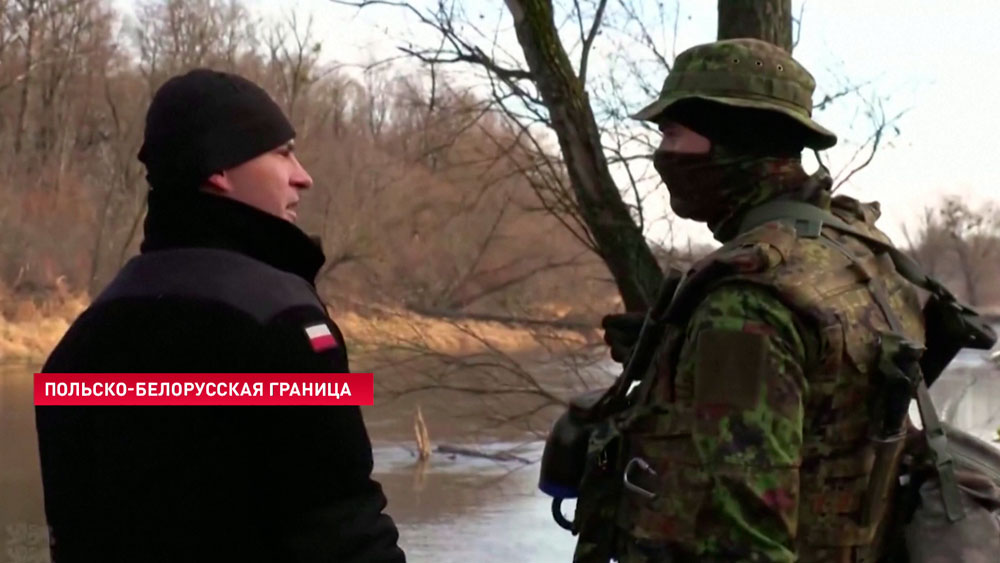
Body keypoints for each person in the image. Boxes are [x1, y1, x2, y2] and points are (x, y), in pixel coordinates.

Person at [35, 69, 405, 562]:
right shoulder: (286, 322)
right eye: (281, 152)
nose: (303, 175)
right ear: (219, 170)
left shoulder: (75, 349)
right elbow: (347, 537)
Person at [584, 39, 927, 562]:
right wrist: (678, 357)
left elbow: (748, 538)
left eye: (674, 133)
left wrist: (719, 337)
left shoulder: (747, 304)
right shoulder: (857, 254)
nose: (663, 154)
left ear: (732, 140)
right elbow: (833, 404)